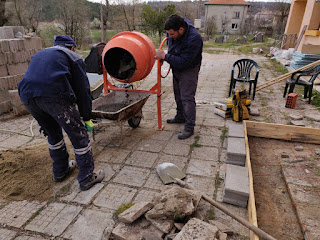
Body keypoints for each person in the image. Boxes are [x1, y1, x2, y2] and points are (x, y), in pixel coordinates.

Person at [18, 35, 104, 191]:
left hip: (27, 95)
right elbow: (84, 90)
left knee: (53, 134)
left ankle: (60, 170)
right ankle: (86, 177)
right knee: (79, 135)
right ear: (71, 47)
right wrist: (86, 117)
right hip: (54, 95)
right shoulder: (73, 56)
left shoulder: (41, 53)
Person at [155, 14, 203, 140]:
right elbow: (171, 43)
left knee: (187, 97)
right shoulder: (175, 27)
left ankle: (189, 127)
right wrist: (165, 57)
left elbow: (184, 62)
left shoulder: (194, 39)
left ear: (181, 29)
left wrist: (165, 57)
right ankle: (180, 117)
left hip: (189, 67)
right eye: (168, 34)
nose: (169, 37)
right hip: (177, 64)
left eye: (172, 34)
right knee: (178, 93)